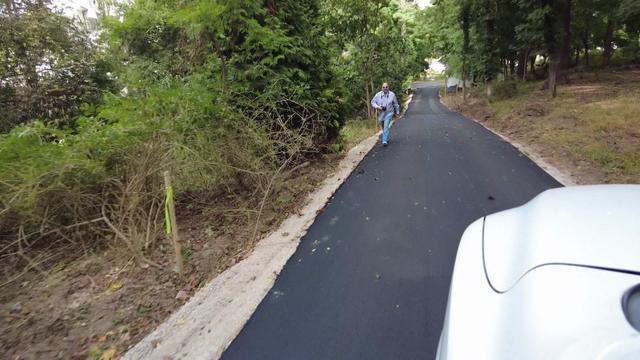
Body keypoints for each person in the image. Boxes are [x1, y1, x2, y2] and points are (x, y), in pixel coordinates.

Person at [370, 82, 400, 146]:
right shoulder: (378, 95)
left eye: (386, 87)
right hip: (381, 113)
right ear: (382, 88)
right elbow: (372, 102)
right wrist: (378, 107)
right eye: (384, 87)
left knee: (386, 126)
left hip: (389, 113)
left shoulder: (392, 95)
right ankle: (386, 137)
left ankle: (384, 140)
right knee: (383, 127)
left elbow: (396, 104)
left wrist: (397, 112)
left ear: (388, 87)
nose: (385, 88)